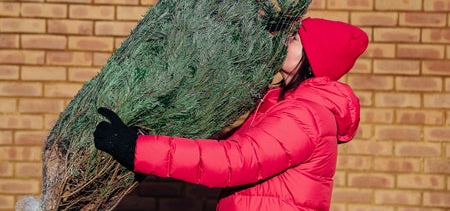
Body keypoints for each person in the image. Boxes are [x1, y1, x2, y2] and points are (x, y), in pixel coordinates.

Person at [94, 17, 368, 211]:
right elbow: (228, 149)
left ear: (312, 56)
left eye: (295, 38)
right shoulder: (281, 103)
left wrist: (137, 149)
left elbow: (234, 160)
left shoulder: (305, 114)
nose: (284, 41)